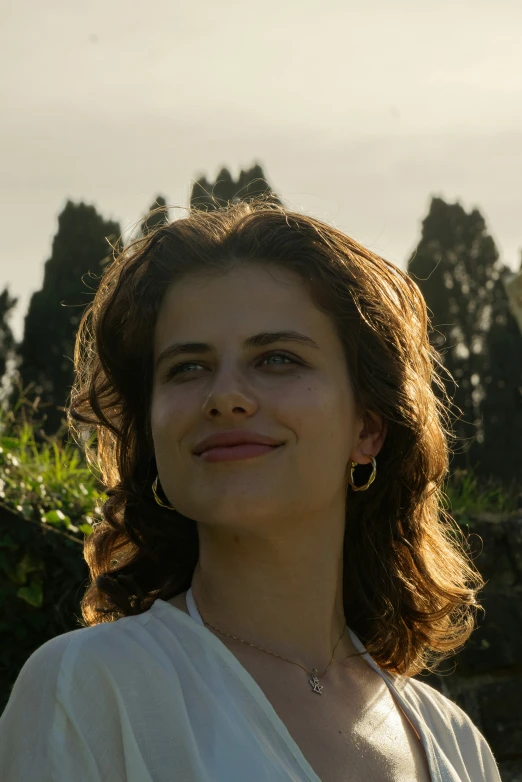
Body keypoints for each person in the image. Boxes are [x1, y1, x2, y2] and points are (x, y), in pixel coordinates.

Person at [0, 198, 501, 781]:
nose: (225, 396)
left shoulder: (457, 744)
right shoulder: (90, 690)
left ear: (367, 427)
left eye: (278, 359)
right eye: (187, 367)